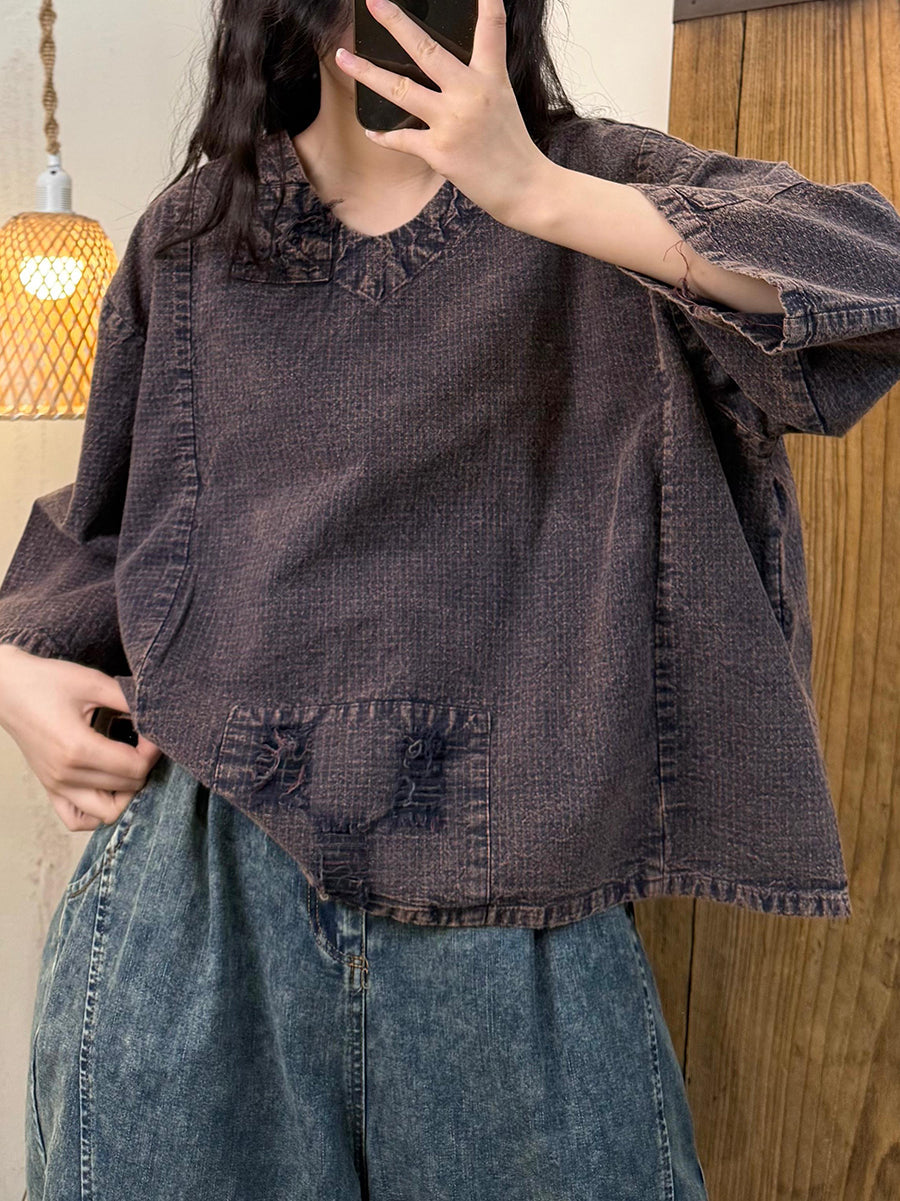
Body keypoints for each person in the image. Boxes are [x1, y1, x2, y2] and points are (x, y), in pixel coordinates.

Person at [3, 0, 900, 1196]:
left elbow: (875, 274)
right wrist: (10, 670)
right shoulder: (194, 236)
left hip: (522, 910)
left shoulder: (594, 181)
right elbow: (116, 522)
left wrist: (537, 194)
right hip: (203, 894)